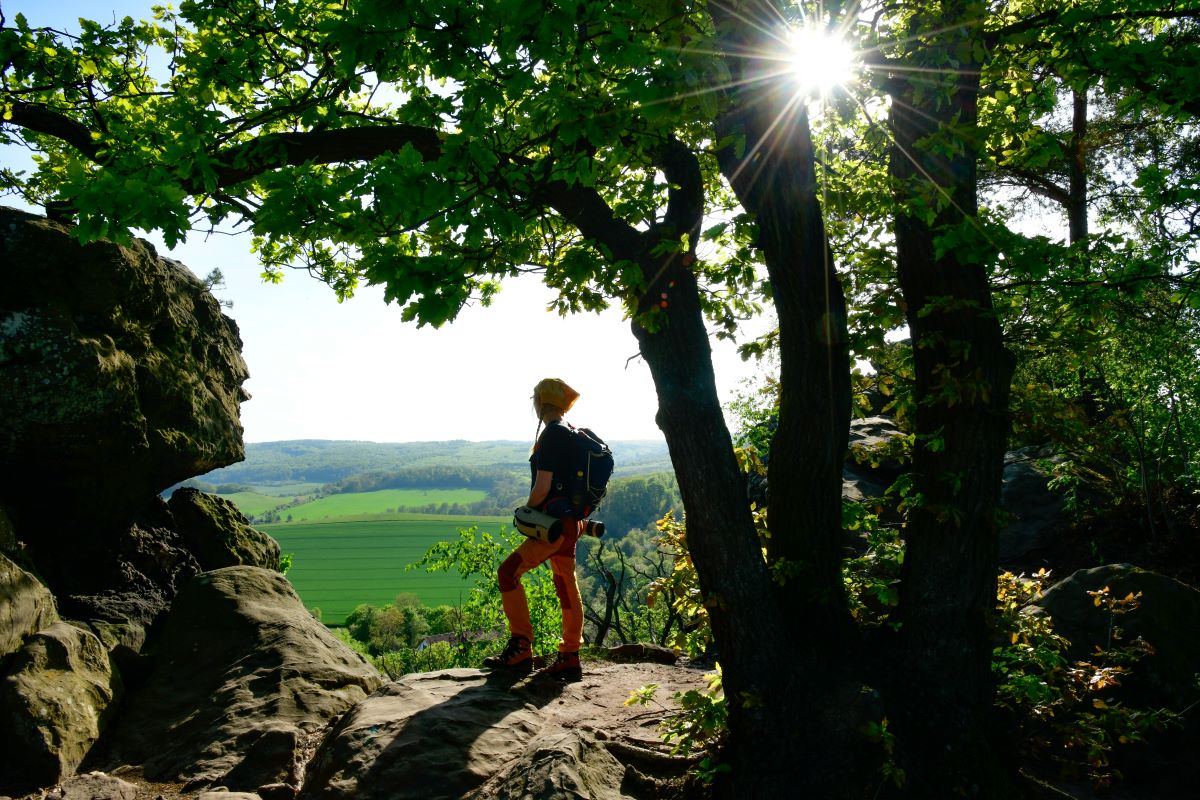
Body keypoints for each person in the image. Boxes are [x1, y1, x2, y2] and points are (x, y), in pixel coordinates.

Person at [483, 377, 585, 681]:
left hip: (553, 526)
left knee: (508, 573)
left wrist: (526, 513)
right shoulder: (572, 432)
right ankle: (569, 655)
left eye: (534, 399)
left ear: (541, 402)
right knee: (566, 586)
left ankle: (521, 647)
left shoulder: (552, 434)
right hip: (571, 522)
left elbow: (542, 487)